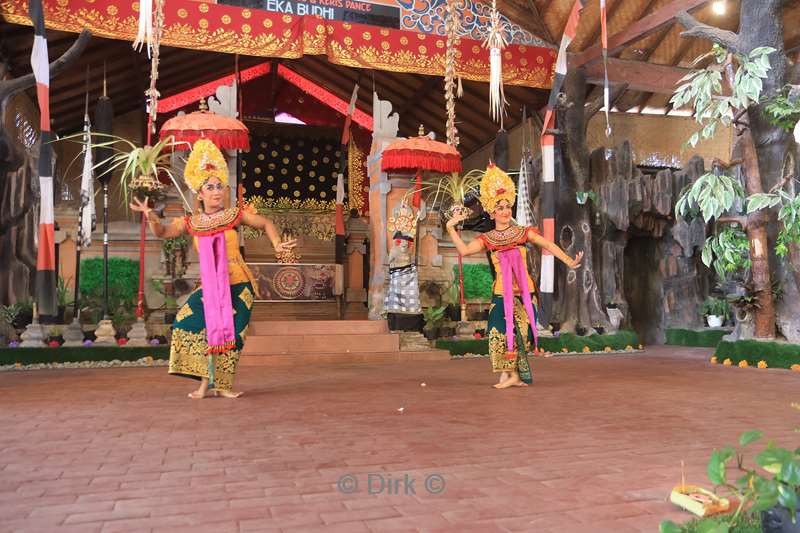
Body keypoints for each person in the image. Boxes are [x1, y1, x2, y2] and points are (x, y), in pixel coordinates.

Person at [130, 139, 296, 399]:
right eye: (210, 187)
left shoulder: (234, 216)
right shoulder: (191, 222)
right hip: (209, 287)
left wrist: (277, 244)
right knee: (187, 322)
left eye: (220, 186)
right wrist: (151, 216)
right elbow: (163, 231)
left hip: (239, 285)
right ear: (200, 193)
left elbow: (264, 223)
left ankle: (222, 385)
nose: (217, 191)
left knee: (232, 337)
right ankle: (203, 384)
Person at [446, 164, 583, 389]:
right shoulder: (488, 238)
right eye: (499, 208)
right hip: (501, 294)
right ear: (491, 212)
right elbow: (464, 251)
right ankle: (508, 375)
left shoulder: (523, 233)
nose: (505, 211)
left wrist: (569, 261)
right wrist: (451, 227)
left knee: (521, 336)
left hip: (525, 294)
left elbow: (548, 244)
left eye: (507, 206)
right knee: (497, 333)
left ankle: (512, 376)